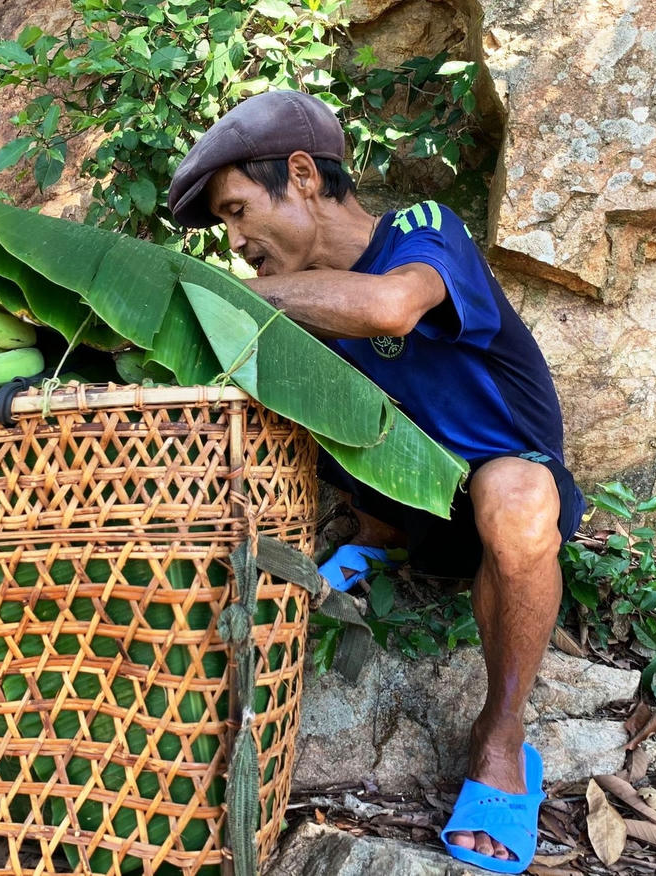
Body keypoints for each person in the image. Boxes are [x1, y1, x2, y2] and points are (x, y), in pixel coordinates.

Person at [167, 90, 586, 874]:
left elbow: (392, 308)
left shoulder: (421, 230)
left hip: (504, 496)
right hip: (408, 505)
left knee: (515, 500)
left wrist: (226, 295)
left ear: (302, 175)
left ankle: (500, 741)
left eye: (237, 211)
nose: (236, 242)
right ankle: (379, 538)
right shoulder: (298, 299)